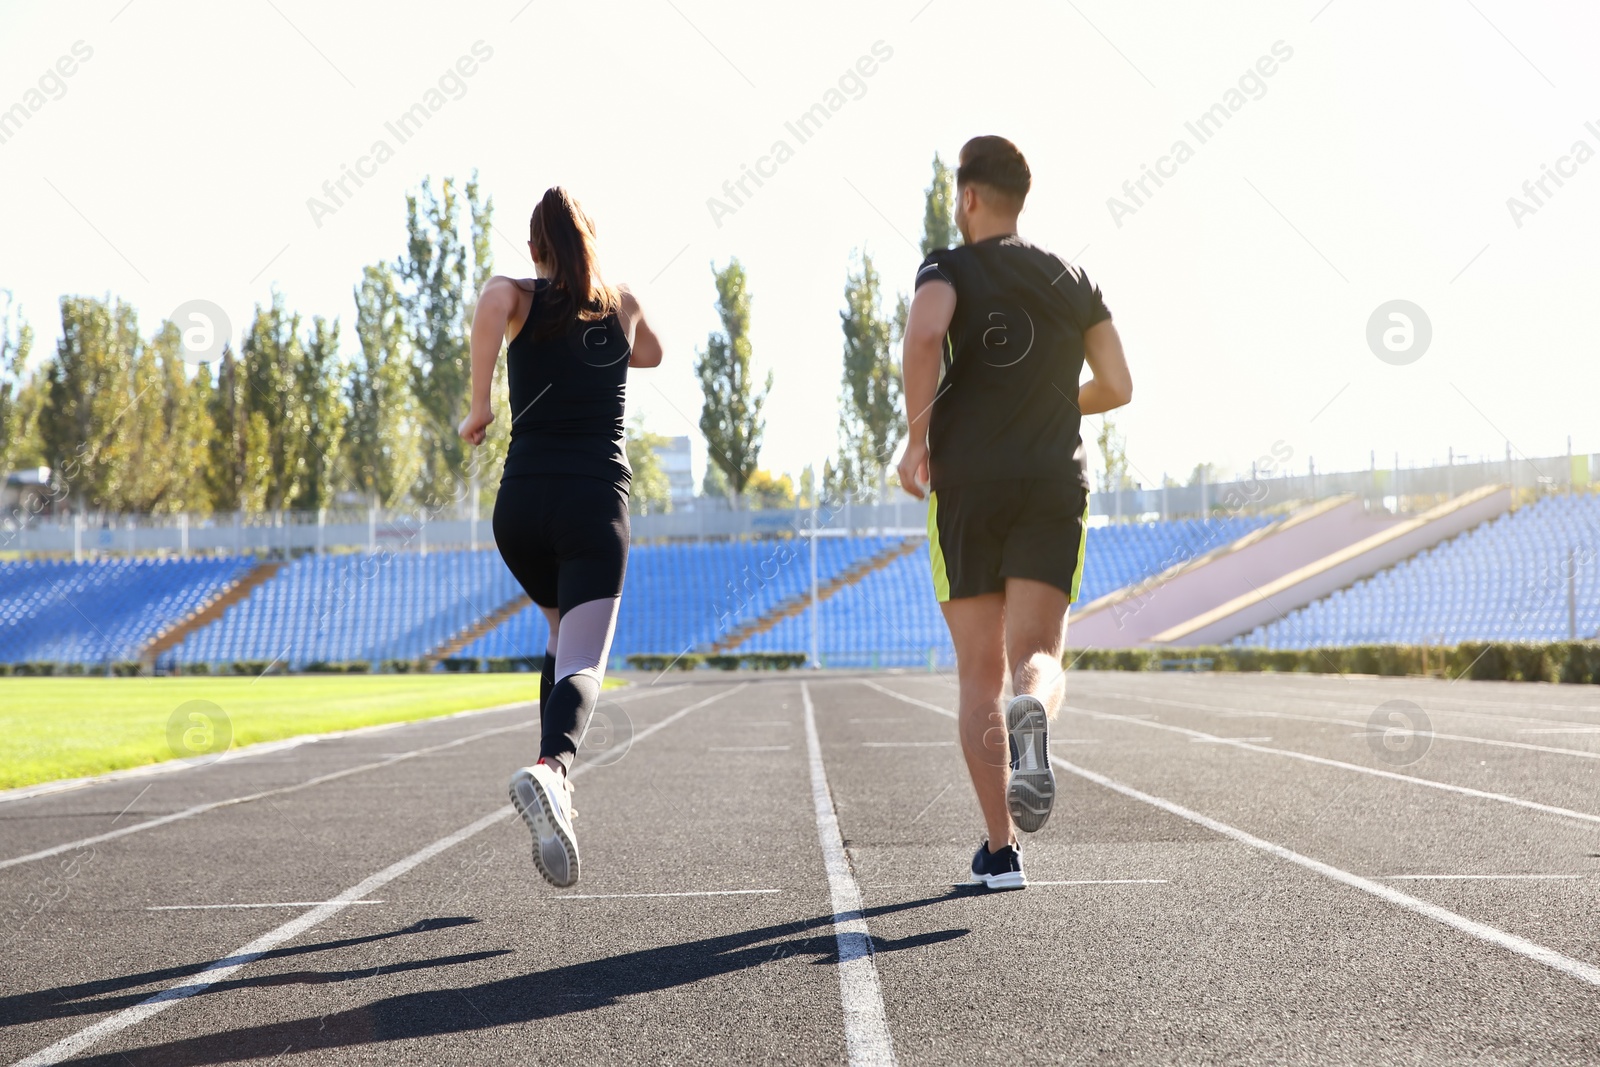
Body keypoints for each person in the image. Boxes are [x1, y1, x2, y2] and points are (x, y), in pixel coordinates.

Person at [895, 136, 1133, 890]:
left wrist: (915, 439)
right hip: (1052, 483)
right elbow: (1119, 384)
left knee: (975, 675)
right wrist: (1062, 398)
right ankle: (1034, 704)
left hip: (968, 483)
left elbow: (927, 331)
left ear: (968, 197)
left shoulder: (949, 265)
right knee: (1037, 658)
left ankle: (1000, 850)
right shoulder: (1072, 276)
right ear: (1019, 199)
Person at [458, 186, 662, 888]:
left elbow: (490, 302)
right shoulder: (622, 302)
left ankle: (557, 787)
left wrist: (480, 405)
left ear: (535, 248)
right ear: (590, 244)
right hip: (593, 504)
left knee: (556, 633)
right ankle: (553, 769)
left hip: (520, 507)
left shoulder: (511, 296)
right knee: (587, 660)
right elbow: (653, 354)